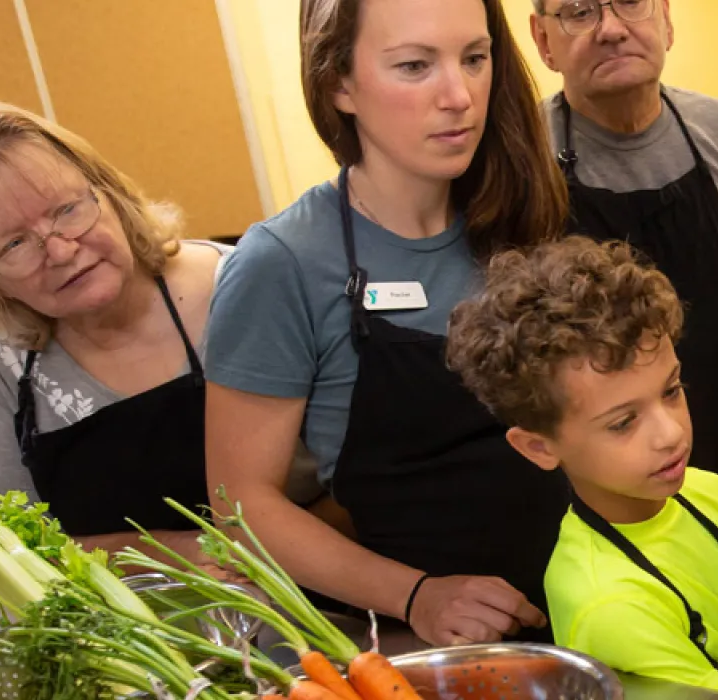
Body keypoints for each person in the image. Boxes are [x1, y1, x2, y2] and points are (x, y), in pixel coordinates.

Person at [203, 0, 571, 646]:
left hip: (576, 606)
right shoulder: (283, 263)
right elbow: (241, 509)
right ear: (338, 83)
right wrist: (417, 596)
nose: (459, 96)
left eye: (475, 59)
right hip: (410, 644)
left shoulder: (524, 219)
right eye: (414, 66)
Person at [0, 100, 315, 566]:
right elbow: (9, 550)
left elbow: (363, 485)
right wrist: (165, 554)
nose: (60, 251)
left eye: (66, 209)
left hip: (323, 604)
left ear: (109, 194)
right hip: (133, 625)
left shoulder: (240, 289)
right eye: (15, 244)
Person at [444, 236, 718, 699]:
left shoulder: (711, 494)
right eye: (623, 422)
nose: (671, 433)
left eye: (672, 390)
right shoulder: (607, 601)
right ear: (538, 447)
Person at [528, 0, 718, 532]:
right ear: (543, 40)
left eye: (631, 3)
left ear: (665, 17)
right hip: (604, 505)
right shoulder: (522, 162)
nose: (613, 29)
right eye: (579, 11)